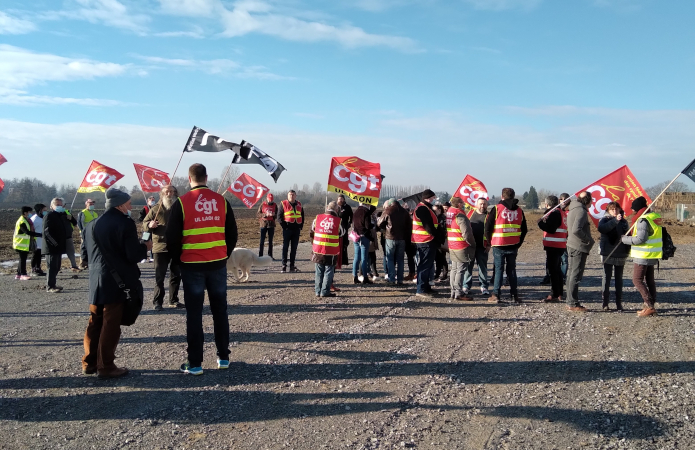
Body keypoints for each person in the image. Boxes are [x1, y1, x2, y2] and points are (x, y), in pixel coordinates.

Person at [166, 163, 238, 375]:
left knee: (194, 315)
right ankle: (223, 357)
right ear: (206, 177)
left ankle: (195, 363)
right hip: (217, 264)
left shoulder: (180, 203)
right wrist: (223, 255)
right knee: (220, 312)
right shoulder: (221, 201)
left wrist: (179, 260)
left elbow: (171, 238)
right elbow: (232, 234)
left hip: (191, 266)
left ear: (189, 179)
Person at [82, 189, 151, 379]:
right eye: (128, 203)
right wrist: (145, 247)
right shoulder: (124, 223)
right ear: (120, 205)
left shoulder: (91, 224)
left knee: (94, 321)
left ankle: (89, 362)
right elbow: (132, 255)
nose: (130, 207)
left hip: (96, 280)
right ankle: (106, 366)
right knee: (110, 323)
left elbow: (86, 254)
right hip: (116, 281)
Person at [144, 185, 183, 311]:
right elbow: (144, 224)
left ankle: (173, 300)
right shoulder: (156, 209)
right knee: (159, 277)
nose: (169, 194)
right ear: (162, 194)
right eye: (167, 192)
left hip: (177, 247)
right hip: (160, 247)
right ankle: (158, 302)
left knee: (176, 275)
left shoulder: (181, 208)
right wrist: (150, 224)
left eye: (172, 191)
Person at [485, 188, 527, 303]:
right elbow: (524, 229)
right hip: (513, 244)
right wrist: (519, 242)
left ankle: (496, 295)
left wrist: (490, 242)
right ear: (513, 196)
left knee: (498, 270)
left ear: (502, 196)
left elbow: (488, 228)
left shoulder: (497, 209)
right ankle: (514, 295)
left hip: (499, 244)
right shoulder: (519, 211)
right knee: (512, 270)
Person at [621, 196, 661, 317]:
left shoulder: (642, 220)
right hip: (653, 253)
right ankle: (650, 304)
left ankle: (649, 306)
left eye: (633, 208)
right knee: (649, 280)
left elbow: (640, 239)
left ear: (638, 208)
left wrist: (624, 239)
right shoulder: (654, 216)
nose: (632, 211)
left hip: (643, 254)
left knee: (637, 280)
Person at [565, 191, 595, 312]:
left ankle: (570, 301)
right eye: (591, 199)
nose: (592, 201)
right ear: (587, 200)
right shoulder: (581, 211)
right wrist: (588, 239)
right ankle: (573, 303)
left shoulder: (573, 209)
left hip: (571, 245)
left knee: (571, 273)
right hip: (578, 246)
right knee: (575, 275)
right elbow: (576, 230)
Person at [598, 202, 629, 311]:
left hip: (620, 253)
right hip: (608, 252)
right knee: (606, 277)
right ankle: (605, 303)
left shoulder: (624, 222)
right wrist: (615, 221)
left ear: (620, 210)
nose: (614, 211)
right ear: (608, 210)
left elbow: (627, 235)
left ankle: (618, 303)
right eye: (612, 209)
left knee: (619, 279)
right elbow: (602, 229)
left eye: (616, 209)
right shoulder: (604, 220)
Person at [538, 195, 567, 303]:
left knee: (552, 271)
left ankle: (554, 294)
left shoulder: (554, 213)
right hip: (560, 244)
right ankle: (559, 292)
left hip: (554, 244)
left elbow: (551, 228)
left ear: (547, 204)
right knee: (557, 270)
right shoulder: (561, 212)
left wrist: (540, 223)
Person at [311, 202, 343, 297]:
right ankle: (325, 291)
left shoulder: (317, 218)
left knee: (319, 270)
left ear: (327, 208)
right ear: (336, 210)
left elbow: (312, 229)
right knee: (328, 271)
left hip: (318, 249)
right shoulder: (338, 220)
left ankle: (317, 291)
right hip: (331, 250)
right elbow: (341, 233)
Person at [446, 197, 475, 300]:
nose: (464, 204)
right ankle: (459, 293)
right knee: (460, 270)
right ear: (459, 204)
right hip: (461, 245)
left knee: (454, 269)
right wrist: (472, 244)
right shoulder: (460, 215)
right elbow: (466, 233)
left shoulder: (450, 212)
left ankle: (453, 291)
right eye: (462, 202)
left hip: (452, 244)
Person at [412, 189, 439, 298]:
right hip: (426, 240)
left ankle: (426, 287)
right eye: (433, 197)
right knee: (424, 265)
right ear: (428, 197)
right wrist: (436, 235)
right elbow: (428, 226)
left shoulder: (424, 207)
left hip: (425, 239)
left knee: (427, 265)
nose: (434, 200)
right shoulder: (423, 208)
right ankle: (421, 289)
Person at [377, 198, 411, 284]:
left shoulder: (388, 211)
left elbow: (379, 223)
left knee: (390, 258)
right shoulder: (405, 212)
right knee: (400, 259)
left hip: (390, 237)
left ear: (390, 204)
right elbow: (409, 226)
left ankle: (391, 278)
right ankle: (400, 279)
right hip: (402, 238)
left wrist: (384, 227)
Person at [464, 197, 490, 296]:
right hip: (470, 246)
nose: (482, 206)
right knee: (468, 267)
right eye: (480, 204)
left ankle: (484, 286)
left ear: (487, 205)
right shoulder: (470, 214)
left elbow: (492, 231)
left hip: (482, 246)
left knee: (482, 267)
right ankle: (466, 286)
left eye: (484, 204)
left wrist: (489, 244)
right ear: (476, 204)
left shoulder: (489, 216)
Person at [42, 198, 69, 293]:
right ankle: (50, 286)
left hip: (59, 247)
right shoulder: (49, 216)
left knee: (57, 267)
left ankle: (53, 284)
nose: (59, 207)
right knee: (52, 267)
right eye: (57, 205)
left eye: (61, 205)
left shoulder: (60, 216)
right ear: (52, 206)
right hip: (51, 247)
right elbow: (47, 232)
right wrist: (55, 243)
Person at [277, 190, 304, 273]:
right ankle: (284, 265)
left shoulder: (299, 204)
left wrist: (301, 226)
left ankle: (292, 265)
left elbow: (302, 215)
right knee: (285, 247)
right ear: (287, 196)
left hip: (296, 229)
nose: (291, 196)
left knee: (294, 248)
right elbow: (279, 217)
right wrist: (284, 227)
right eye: (290, 195)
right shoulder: (283, 204)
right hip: (287, 229)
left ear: (296, 196)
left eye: (293, 195)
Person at [13, 206, 42, 280]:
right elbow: (27, 232)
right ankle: (23, 274)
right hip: (21, 244)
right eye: (29, 212)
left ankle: (19, 274)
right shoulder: (22, 221)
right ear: (25, 213)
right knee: (23, 259)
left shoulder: (26, 220)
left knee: (22, 259)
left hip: (23, 244)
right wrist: (39, 235)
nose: (31, 213)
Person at [352, 202, 373, 284]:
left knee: (356, 257)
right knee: (364, 258)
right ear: (367, 204)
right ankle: (365, 277)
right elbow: (367, 226)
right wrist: (373, 225)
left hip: (356, 236)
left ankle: (354, 276)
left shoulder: (356, 211)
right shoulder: (366, 212)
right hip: (364, 236)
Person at [77, 198, 98, 269]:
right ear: (86, 204)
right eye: (90, 204)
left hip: (93, 233)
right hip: (85, 233)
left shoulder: (95, 214)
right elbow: (80, 224)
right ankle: (82, 263)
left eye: (92, 204)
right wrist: (83, 232)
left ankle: (89, 262)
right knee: (84, 248)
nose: (92, 205)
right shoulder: (83, 213)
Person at [257, 192, 277, 259]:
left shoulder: (275, 205)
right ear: (267, 199)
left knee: (270, 241)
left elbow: (278, 214)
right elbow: (258, 214)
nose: (270, 201)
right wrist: (265, 215)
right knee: (262, 240)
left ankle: (270, 255)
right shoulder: (262, 204)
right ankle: (260, 255)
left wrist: (274, 215)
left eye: (271, 200)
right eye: (269, 200)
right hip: (263, 224)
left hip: (271, 224)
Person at [432, 204, 449, 282]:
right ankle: (438, 273)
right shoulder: (435, 217)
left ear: (439, 210)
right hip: (436, 241)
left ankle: (444, 274)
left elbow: (444, 229)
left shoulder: (442, 218)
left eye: (435, 210)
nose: (434, 212)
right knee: (437, 258)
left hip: (441, 241)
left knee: (441, 258)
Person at [62, 201, 80, 272]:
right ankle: (57, 267)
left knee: (71, 252)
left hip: (68, 236)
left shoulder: (67, 213)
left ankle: (74, 265)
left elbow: (75, 223)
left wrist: (71, 218)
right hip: (58, 237)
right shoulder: (53, 214)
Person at [30, 204, 47, 276]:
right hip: (36, 240)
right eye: (44, 210)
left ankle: (38, 268)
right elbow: (31, 230)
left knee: (39, 255)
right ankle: (33, 269)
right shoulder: (34, 219)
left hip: (41, 240)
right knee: (35, 255)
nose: (46, 212)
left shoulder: (43, 217)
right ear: (40, 210)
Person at [337, 194, 353, 266]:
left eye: (341, 199)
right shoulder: (336, 207)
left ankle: (344, 260)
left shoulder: (347, 207)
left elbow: (352, 216)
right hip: (336, 228)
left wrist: (349, 223)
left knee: (344, 244)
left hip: (344, 228)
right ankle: (337, 260)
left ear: (344, 199)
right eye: (339, 199)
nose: (340, 200)